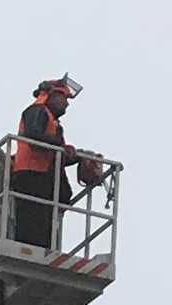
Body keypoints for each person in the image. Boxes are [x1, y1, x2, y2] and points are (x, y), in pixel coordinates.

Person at [6, 75, 105, 260]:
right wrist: (61, 148)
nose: (66, 105)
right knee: (32, 221)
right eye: (64, 98)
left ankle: (44, 252)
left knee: (44, 221)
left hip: (42, 177)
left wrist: (78, 156)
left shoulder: (53, 122)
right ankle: (31, 253)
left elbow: (54, 156)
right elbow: (34, 138)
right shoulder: (37, 111)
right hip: (30, 175)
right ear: (50, 95)